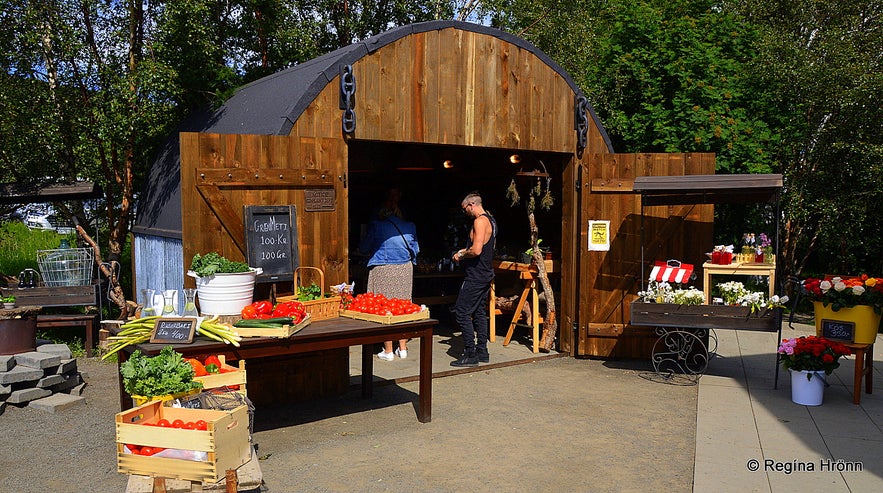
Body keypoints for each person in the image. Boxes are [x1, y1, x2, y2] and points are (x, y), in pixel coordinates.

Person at [360, 188, 420, 361]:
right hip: (404, 269)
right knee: (403, 306)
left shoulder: (377, 225)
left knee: (384, 306)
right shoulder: (410, 226)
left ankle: (388, 350)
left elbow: (364, 247)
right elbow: (415, 249)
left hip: (383, 268)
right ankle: (402, 348)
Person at [451, 192, 497, 367]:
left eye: (465, 209)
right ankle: (482, 351)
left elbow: (477, 250)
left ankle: (470, 353)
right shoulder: (491, 220)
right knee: (478, 312)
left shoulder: (479, 221)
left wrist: (462, 254)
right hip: (485, 273)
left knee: (461, 312)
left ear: (471, 205)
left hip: (476, 275)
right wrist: (465, 250)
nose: (465, 213)